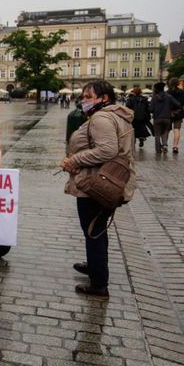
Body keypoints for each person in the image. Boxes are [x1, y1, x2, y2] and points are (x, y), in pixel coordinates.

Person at [60, 80, 136, 298]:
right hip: (107, 180)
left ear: (104, 98)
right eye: (83, 96)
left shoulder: (101, 118)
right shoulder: (114, 115)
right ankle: (94, 265)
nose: (84, 100)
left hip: (95, 183)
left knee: (93, 231)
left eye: (89, 96)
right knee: (97, 229)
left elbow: (107, 150)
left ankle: (98, 283)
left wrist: (74, 159)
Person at [149, 81, 181, 154]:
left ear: (156, 89)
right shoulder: (169, 96)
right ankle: (165, 145)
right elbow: (178, 104)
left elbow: (151, 109)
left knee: (157, 134)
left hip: (157, 119)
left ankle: (158, 151)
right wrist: (170, 109)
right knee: (164, 132)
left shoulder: (154, 98)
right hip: (167, 118)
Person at [167, 78, 184, 154]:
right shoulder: (183, 92)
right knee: (177, 129)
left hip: (169, 113)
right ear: (178, 83)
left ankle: (165, 144)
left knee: (167, 130)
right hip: (179, 112)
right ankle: (175, 146)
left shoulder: (168, 92)